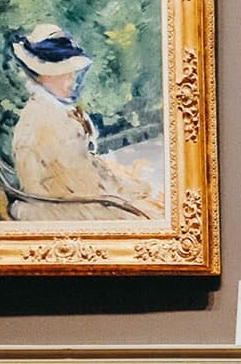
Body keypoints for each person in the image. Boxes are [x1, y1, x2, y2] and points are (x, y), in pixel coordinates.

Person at [8, 23, 162, 221]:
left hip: (66, 197)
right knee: (145, 213)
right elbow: (80, 184)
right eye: (65, 72)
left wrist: (121, 185)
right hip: (60, 206)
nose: (72, 78)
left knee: (144, 195)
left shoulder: (46, 110)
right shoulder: (47, 122)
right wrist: (120, 192)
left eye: (71, 71)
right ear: (45, 76)